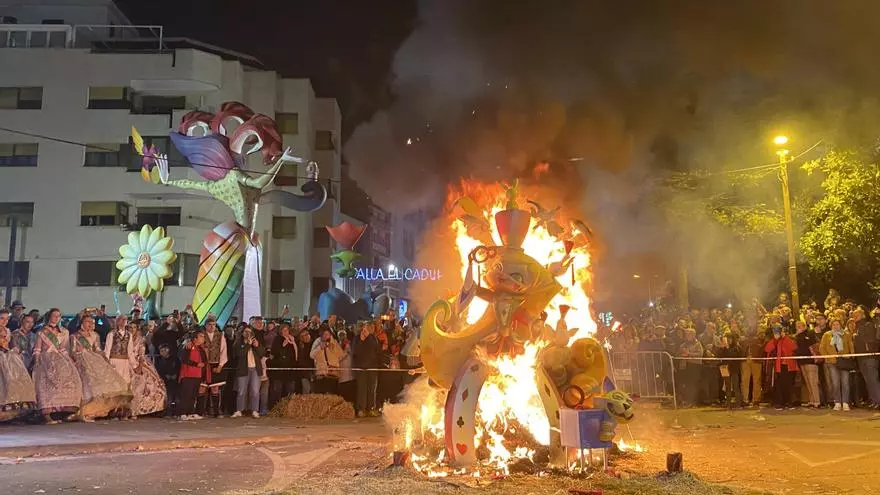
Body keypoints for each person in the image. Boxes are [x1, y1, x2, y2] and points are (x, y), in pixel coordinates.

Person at [71, 315, 132, 421]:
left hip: (94, 360)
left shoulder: (95, 335)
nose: (90, 324)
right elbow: (72, 351)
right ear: (82, 323)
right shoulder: (74, 336)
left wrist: (104, 358)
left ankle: (96, 411)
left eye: (92, 322)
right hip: (81, 361)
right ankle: (83, 411)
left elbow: (98, 349)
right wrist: (77, 358)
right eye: (87, 322)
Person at [33, 309, 83, 424]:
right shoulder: (41, 332)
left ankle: (65, 411)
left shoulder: (64, 331)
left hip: (60, 358)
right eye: (54, 316)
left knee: (70, 379)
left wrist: (69, 360)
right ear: (49, 317)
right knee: (46, 385)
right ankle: (46, 414)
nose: (56, 318)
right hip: (46, 359)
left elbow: (64, 348)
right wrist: (36, 361)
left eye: (58, 316)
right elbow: (37, 349)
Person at [129, 321, 167, 417]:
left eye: (134, 327)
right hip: (127, 361)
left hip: (139, 361)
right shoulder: (125, 338)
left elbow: (141, 354)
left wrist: (140, 366)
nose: (132, 329)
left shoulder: (141, 339)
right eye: (130, 327)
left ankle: (141, 409)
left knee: (151, 382)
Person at [0, 326, 36, 422]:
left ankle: (13, 412)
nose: (4, 321)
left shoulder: (8, 330)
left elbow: (11, 344)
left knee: (16, 381)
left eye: (6, 319)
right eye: (2, 318)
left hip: (8, 357)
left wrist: (14, 349)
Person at [819, 319, 855, 411]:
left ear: (840, 325)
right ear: (831, 326)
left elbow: (850, 345)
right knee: (835, 383)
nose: (836, 326)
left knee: (845, 382)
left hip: (844, 361)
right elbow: (822, 348)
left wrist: (851, 356)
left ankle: (846, 402)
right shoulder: (826, 335)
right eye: (834, 324)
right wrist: (827, 357)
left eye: (837, 324)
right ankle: (837, 402)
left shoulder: (846, 335)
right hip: (832, 362)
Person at [231, 326, 264, 418]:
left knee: (255, 391)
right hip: (243, 370)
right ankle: (239, 410)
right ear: (242, 333)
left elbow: (262, 353)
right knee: (241, 391)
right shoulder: (238, 342)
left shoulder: (255, 342)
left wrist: (257, 346)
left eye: (250, 332)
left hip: (255, 369)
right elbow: (240, 354)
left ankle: (254, 410)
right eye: (246, 332)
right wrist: (248, 345)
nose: (248, 334)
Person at [764, 325, 798, 410]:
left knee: (789, 384)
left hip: (789, 366)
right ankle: (779, 402)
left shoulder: (788, 339)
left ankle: (789, 402)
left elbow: (793, 347)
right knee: (779, 385)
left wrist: (785, 337)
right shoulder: (774, 341)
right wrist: (775, 339)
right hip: (779, 366)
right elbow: (767, 349)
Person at [178, 330, 209, 420]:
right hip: (188, 374)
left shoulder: (201, 349)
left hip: (198, 375)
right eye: (201, 336)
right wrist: (196, 364)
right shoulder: (188, 346)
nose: (203, 338)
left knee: (193, 395)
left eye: (203, 336)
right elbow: (184, 359)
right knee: (186, 395)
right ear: (195, 338)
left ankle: (190, 412)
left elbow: (204, 362)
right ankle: (182, 413)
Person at [200, 317, 228, 417]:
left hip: (215, 364)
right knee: (202, 388)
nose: (212, 327)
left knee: (215, 388)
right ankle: (201, 411)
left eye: (214, 325)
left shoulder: (220, 336)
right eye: (209, 325)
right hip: (204, 365)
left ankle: (216, 411)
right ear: (205, 325)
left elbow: (223, 351)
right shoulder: (201, 335)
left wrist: (220, 365)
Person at [852, 308, 880, 408]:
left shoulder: (868, 325)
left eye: (856, 315)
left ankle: (878, 400)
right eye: (853, 316)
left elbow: (870, 340)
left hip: (869, 356)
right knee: (867, 380)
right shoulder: (856, 327)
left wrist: (857, 336)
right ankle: (874, 400)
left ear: (863, 315)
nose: (854, 318)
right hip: (861, 357)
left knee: (873, 379)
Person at [353, 321, 381, 417]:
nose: (366, 330)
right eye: (365, 328)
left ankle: (371, 408)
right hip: (361, 368)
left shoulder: (372, 338)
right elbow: (355, 351)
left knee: (372, 389)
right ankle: (361, 409)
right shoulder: (356, 338)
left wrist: (368, 337)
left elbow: (376, 348)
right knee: (362, 389)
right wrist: (361, 340)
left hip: (372, 367)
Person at [795, 320, 821, 408]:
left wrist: (815, 356)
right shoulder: (797, 336)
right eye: (797, 326)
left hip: (810, 361)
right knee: (807, 382)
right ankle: (811, 400)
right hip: (802, 361)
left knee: (813, 381)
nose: (798, 327)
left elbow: (813, 346)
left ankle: (817, 401)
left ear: (804, 326)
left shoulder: (809, 334)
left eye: (800, 326)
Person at [269, 323, 298, 405]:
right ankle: (277, 407)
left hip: (290, 369)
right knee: (277, 390)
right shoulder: (277, 339)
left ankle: (289, 407)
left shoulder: (292, 339)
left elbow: (296, 354)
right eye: (284, 330)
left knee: (290, 389)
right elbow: (273, 353)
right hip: (279, 369)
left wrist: (294, 343)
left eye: (287, 330)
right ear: (280, 331)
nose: (286, 332)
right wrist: (282, 346)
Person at [311, 328, 343, 394]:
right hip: (321, 374)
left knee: (332, 395)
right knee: (320, 395)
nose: (326, 336)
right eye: (324, 334)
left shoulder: (334, 342)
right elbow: (312, 355)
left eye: (328, 334)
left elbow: (340, 355)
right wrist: (319, 348)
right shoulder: (317, 342)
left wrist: (332, 345)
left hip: (333, 373)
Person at [741, 326, 764, 406]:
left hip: (756, 361)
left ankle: (756, 399)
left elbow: (762, 349)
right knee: (745, 380)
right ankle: (745, 399)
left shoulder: (759, 340)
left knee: (756, 380)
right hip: (746, 361)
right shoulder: (744, 341)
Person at [154, 344, 180, 417]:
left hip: (175, 381)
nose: (163, 353)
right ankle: (167, 413)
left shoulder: (175, 359)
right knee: (168, 398)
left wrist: (175, 375)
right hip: (165, 381)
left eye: (164, 350)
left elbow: (178, 368)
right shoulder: (159, 360)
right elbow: (158, 370)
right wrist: (165, 376)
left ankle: (176, 413)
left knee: (176, 398)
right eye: (161, 351)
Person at [337, 329, 356, 405]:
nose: (342, 337)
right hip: (342, 375)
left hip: (350, 374)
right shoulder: (337, 346)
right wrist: (345, 353)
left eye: (344, 335)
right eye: (340, 335)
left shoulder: (350, 345)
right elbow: (337, 358)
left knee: (350, 392)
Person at [296, 328, 315, 394]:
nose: (307, 336)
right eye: (304, 335)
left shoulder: (314, 344)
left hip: (313, 370)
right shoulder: (300, 346)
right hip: (304, 371)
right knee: (306, 389)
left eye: (307, 334)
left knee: (313, 390)